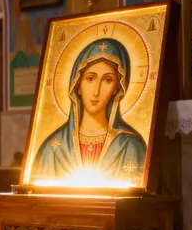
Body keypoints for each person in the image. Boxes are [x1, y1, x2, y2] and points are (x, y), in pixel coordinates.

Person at [33, 38, 147, 183]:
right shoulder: (53, 149)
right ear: (77, 85)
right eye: (90, 79)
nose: (96, 91)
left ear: (117, 89)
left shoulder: (130, 145)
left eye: (107, 80)